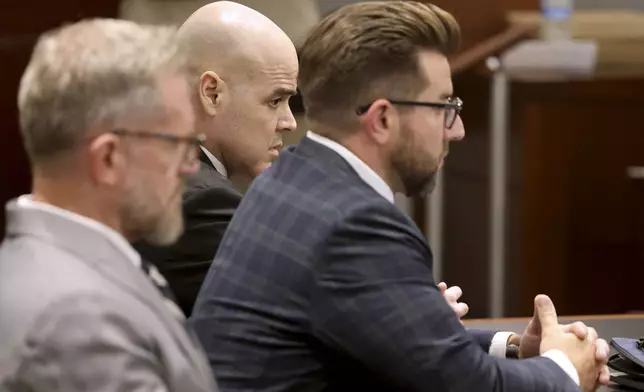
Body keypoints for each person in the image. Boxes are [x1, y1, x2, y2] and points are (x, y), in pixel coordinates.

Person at [189, 2, 611, 391]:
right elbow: (472, 387)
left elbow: (410, 343)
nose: (457, 130)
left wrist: (515, 347)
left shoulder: (290, 180)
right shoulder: (355, 225)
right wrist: (566, 368)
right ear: (384, 119)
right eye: (444, 106)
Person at [0, 19, 217, 391]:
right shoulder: (79, 323)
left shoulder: (46, 261)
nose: (191, 166)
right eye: (177, 144)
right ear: (109, 158)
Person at [135, 0, 299, 316]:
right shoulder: (202, 202)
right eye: (275, 100)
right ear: (212, 93)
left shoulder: (155, 166)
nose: (289, 122)